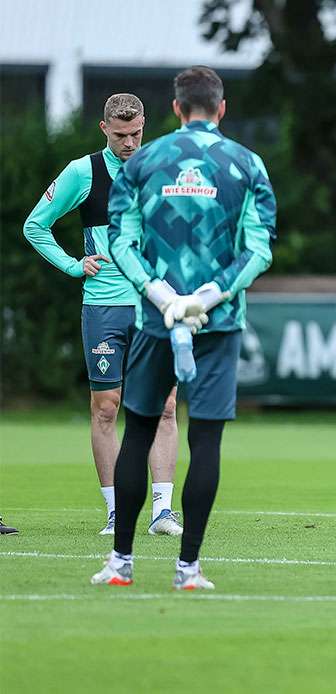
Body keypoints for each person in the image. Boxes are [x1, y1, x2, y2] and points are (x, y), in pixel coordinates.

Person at [90, 66, 276, 590]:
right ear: (221, 108)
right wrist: (209, 296)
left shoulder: (144, 161)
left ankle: (121, 562)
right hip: (218, 323)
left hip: (154, 319)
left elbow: (119, 241)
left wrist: (161, 295)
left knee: (138, 434)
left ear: (175, 109)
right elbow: (259, 247)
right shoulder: (246, 163)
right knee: (207, 440)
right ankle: (188, 568)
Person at [23, 93, 182, 537]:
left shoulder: (160, 167)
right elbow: (35, 225)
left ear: (145, 125)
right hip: (103, 306)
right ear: (103, 129)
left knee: (166, 406)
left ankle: (163, 511)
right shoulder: (82, 171)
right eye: (120, 135)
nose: (129, 143)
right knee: (106, 409)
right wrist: (75, 265)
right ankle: (116, 513)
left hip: (153, 305)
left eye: (135, 134)